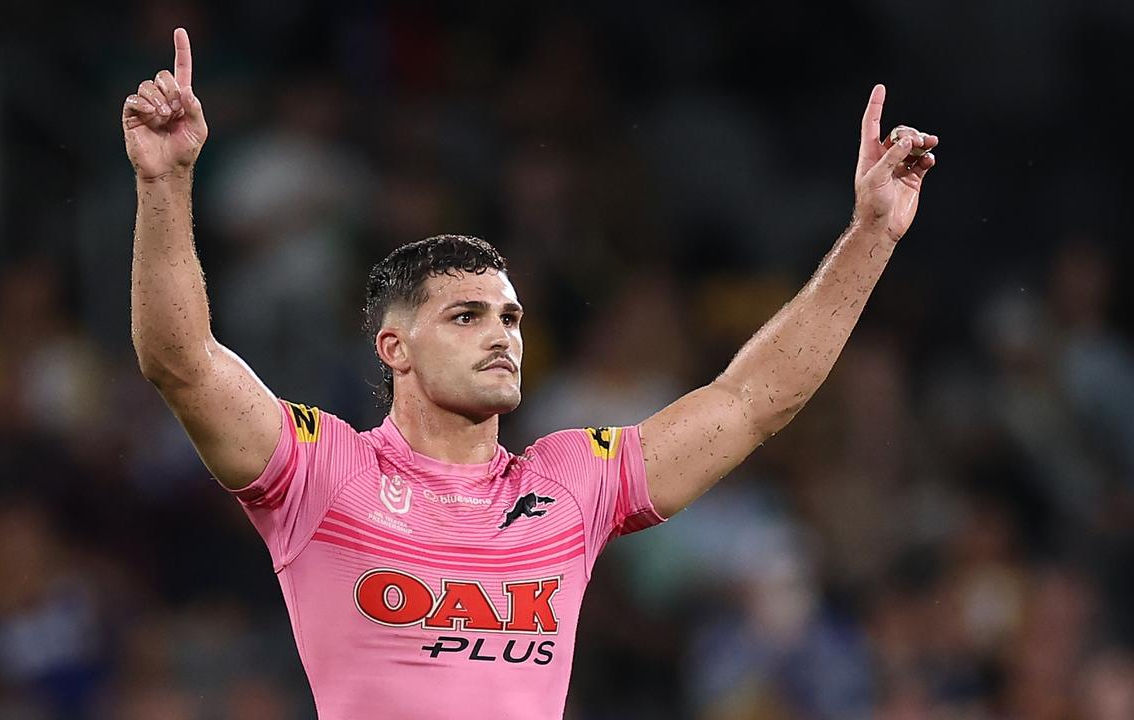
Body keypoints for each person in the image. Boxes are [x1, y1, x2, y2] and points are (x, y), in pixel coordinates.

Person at [122, 27, 938, 720]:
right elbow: (182, 364)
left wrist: (871, 235)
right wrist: (164, 182)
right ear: (394, 348)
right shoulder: (325, 472)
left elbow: (751, 402)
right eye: (466, 316)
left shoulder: (569, 482)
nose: (503, 335)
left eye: (510, 316)